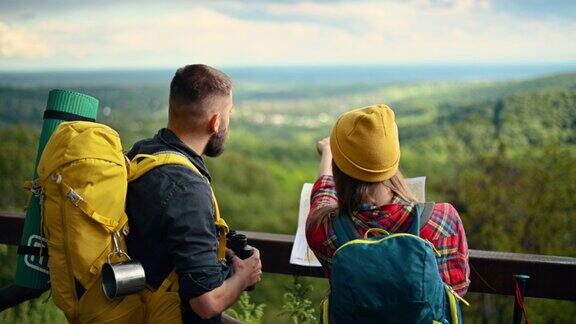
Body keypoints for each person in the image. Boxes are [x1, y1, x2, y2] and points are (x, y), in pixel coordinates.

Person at [126, 64, 262, 323]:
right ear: (216, 121)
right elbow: (206, 303)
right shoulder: (188, 189)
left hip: (135, 306)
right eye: (228, 114)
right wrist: (244, 276)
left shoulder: (141, 153)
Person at [306, 104, 469, 296]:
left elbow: (323, 194)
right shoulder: (442, 220)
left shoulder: (322, 229)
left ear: (338, 169)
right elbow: (457, 290)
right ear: (394, 157)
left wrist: (328, 152)